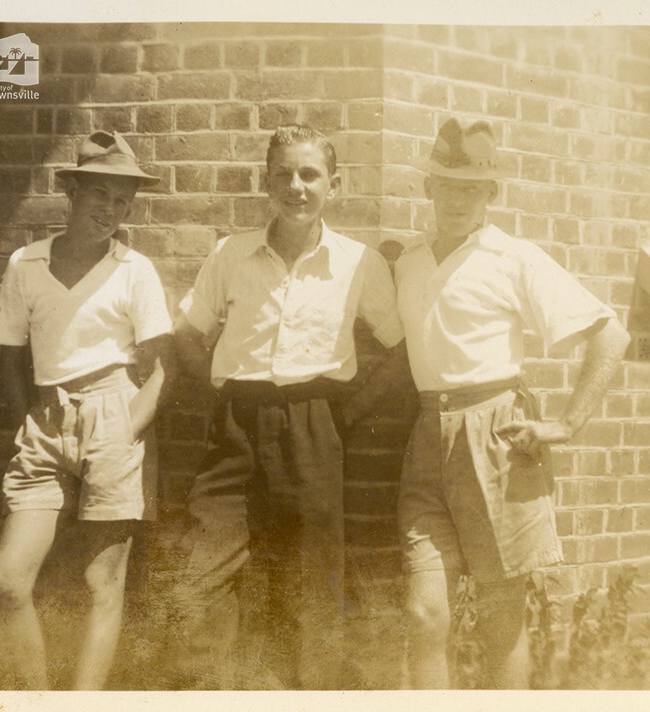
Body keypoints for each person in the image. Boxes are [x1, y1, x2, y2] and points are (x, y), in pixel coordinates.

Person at [395, 118, 631, 688]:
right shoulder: (407, 262)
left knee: (500, 617)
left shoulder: (512, 257)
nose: (455, 197)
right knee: (423, 612)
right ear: (428, 188)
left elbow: (610, 334)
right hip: (427, 436)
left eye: (470, 187)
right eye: (445, 184)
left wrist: (567, 424)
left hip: (495, 438)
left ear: (490, 193)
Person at [171, 124, 405, 689]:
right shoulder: (231, 254)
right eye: (283, 174)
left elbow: (398, 350)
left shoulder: (359, 262)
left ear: (334, 183)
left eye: (309, 174)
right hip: (235, 427)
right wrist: (219, 393)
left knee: (309, 587)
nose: (295, 186)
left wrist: (341, 415)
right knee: (197, 578)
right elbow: (187, 334)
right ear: (265, 181)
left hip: (314, 425)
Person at [0, 131, 174, 690]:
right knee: (5, 579)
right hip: (47, 426)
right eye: (99, 195)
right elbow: (10, 356)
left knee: (101, 582)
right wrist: (29, 420)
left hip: (115, 416)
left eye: (122, 201)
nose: (110, 210)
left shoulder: (134, 269)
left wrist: (125, 430)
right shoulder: (26, 264)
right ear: (70, 192)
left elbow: (165, 369)